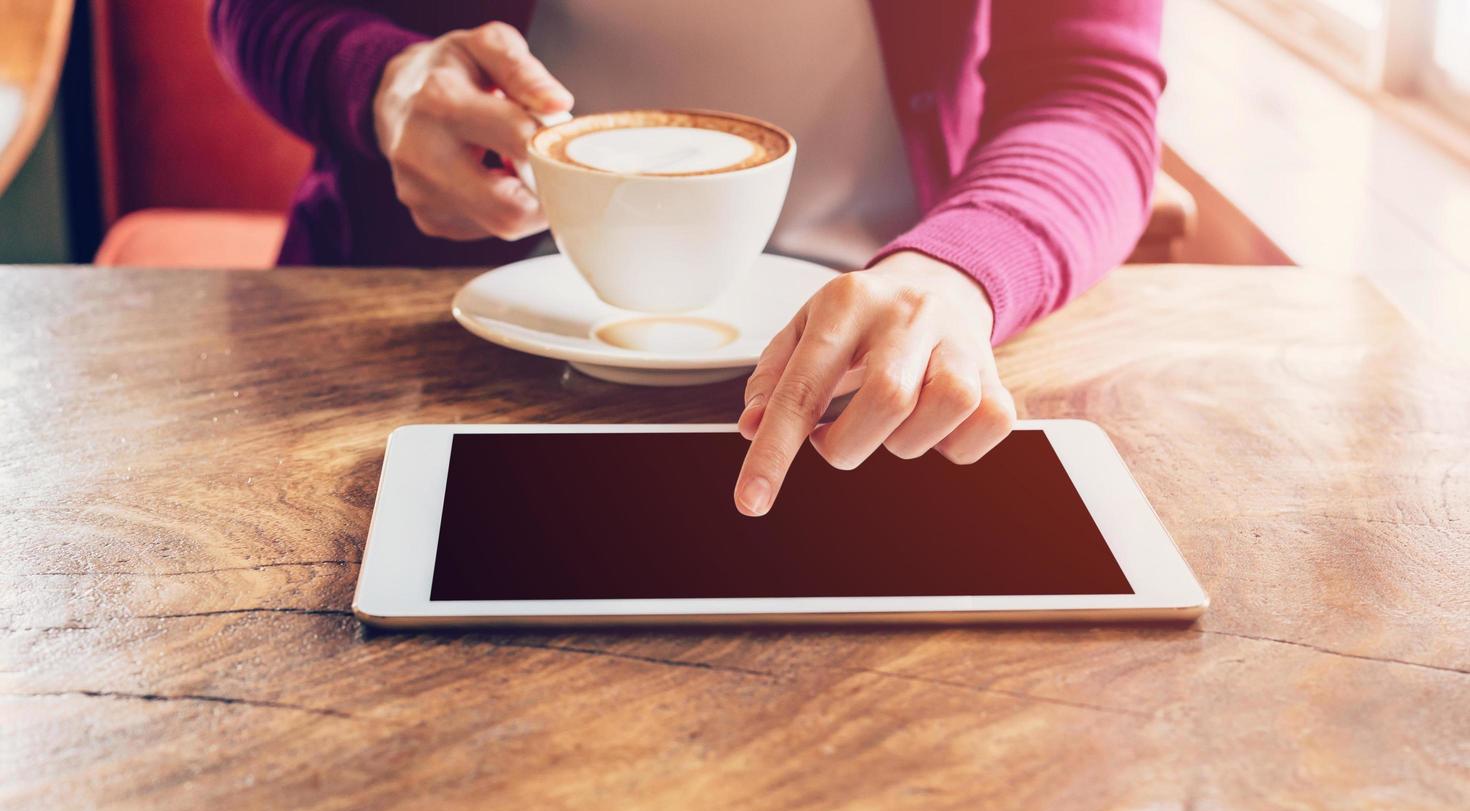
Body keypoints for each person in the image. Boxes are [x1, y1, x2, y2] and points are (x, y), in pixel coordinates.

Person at [210, 1, 1165, 517]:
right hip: (427, 344)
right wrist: (381, 82)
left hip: (873, 372)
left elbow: (1092, 88)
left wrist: (957, 270)